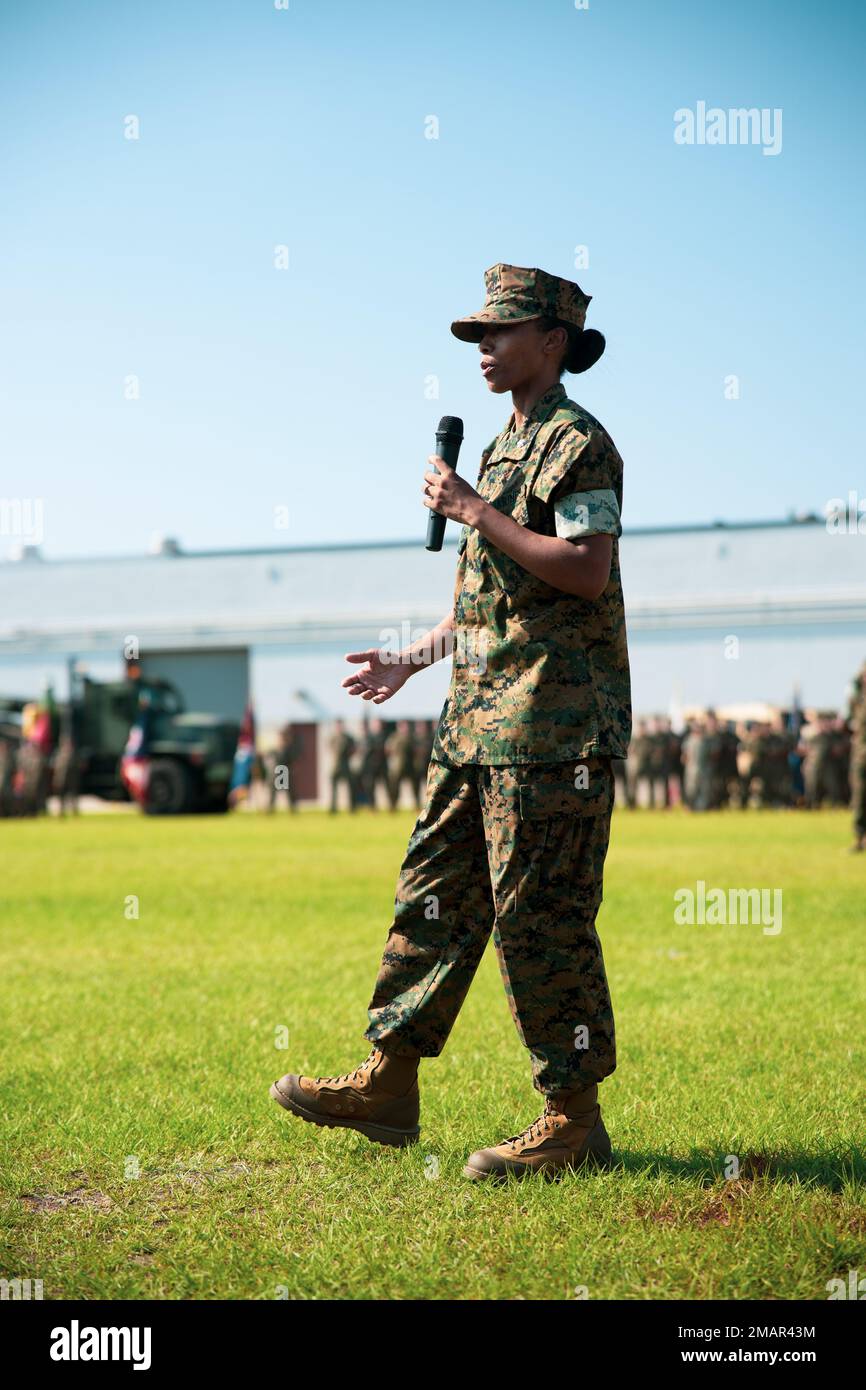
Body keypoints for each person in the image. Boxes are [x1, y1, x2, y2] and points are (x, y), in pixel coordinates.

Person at [271, 262, 631, 1180]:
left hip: (554, 734)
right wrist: (411, 659)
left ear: (552, 342)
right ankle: (387, 1083)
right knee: (433, 898)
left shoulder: (579, 445)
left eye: (499, 332)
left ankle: (572, 1118)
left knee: (541, 919)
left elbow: (584, 568)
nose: (483, 349)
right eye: (477, 335)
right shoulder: (501, 451)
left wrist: (473, 511)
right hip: (475, 725)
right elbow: (489, 605)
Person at [328, 719, 357, 813]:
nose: (339, 728)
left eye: (340, 725)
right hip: (335, 766)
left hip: (346, 765)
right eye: (338, 726)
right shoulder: (332, 737)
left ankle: (352, 808)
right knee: (333, 789)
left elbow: (354, 749)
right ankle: (333, 808)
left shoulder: (348, 738)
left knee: (350, 788)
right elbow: (330, 748)